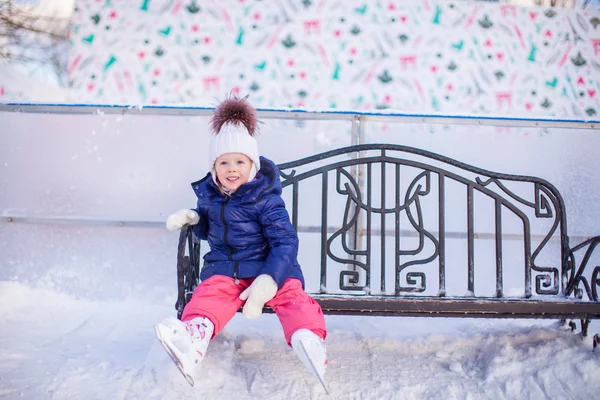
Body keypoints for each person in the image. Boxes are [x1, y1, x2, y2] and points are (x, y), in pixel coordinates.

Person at [154, 95, 327, 385]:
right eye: (223, 162)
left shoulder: (266, 199)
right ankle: (193, 337)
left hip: (269, 268)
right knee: (209, 295)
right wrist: (196, 219)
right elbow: (211, 231)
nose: (231, 168)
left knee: (293, 298)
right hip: (226, 270)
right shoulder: (211, 197)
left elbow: (285, 241)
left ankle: (308, 338)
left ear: (252, 166)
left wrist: (270, 279)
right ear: (214, 168)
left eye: (239, 161)